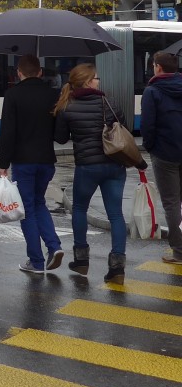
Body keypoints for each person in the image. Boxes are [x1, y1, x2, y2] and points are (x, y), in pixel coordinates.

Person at [52, 63, 129, 283]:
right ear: (87, 81)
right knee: (115, 215)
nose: (98, 81)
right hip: (114, 165)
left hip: (87, 167)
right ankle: (117, 268)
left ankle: (81, 260)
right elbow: (123, 129)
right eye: (96, 78)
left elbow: (60, 138)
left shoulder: (67, 105)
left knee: (79, 208)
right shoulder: (109, 101)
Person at [0, 55, 64, 275]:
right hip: (46, 160)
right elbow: (62, 135)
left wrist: (3, 163)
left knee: (26, 210)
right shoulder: (53, 95)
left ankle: (36, 261)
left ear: (19, 72)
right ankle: (54, 247)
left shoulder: (13, 95)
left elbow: (7, 132)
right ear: (40, 72)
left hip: (23, 162)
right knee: (39, 203)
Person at [141, 51, 182, 265]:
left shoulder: (152, 91)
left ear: (157, 67)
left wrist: (150, 147)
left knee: (171, 202)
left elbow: (147, 126)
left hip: (165, 154)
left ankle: (179, 251)